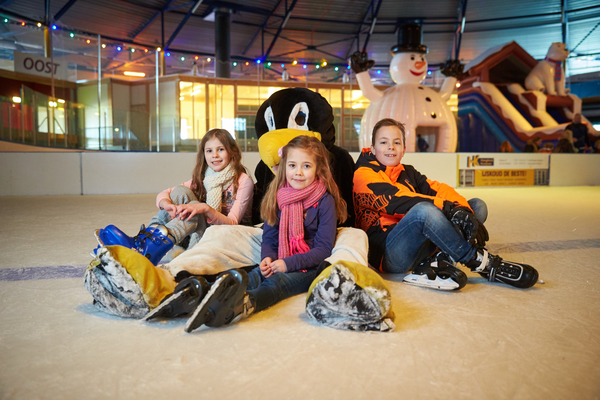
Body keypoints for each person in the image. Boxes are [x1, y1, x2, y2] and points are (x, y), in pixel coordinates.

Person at [146, 135, 348, 332]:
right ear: (285, 166)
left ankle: (244, 304)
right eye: (293, 165)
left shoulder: (324, 201)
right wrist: (267, 258)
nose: (298, 172)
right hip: (279, 258)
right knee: (250, 275)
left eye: (306, 166)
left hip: (307, 267)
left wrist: (286, 264)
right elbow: (269, 236)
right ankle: (197, 295)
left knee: (277, 283)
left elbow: (322, 250)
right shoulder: (279, 197)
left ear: (318, 169)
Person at [353, 118, 538, 291]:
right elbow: (399, 201)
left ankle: (439, 259)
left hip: (419, 245)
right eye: (383, 142)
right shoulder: (363, 173)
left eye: (396, 142)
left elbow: (438, 189)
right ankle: (477, 261)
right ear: (373, 148)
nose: (390, 147)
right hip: (390, 254)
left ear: (403, 148)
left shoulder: (407, 172)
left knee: (476, 206)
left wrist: (462, 210)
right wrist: (450, 210)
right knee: (423, 211)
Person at [92, 128, 254, 264]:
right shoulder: (206, 177)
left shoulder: (243, 180)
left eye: (221, 149)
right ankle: (144, 240)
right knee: (179, 192)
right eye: (209, 151)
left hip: (228, 236)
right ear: (204, 154)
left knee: (196, 212)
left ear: (231, 151)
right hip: (203, 231)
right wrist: (166, 204)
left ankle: (150, 248)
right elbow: (166, 193)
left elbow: (233, 223)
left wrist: (205, 208)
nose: (215, 156)